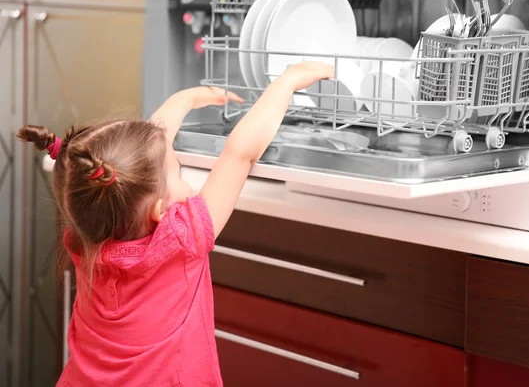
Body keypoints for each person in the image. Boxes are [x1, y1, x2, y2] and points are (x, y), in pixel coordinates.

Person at [17, 61, 334, 387]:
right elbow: (240, 154)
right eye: (179, 173)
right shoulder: (182, 238)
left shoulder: (85, 241)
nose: (186, 184)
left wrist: (186, 99)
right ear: (159, 210)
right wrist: (287, 82)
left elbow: (146, 152)